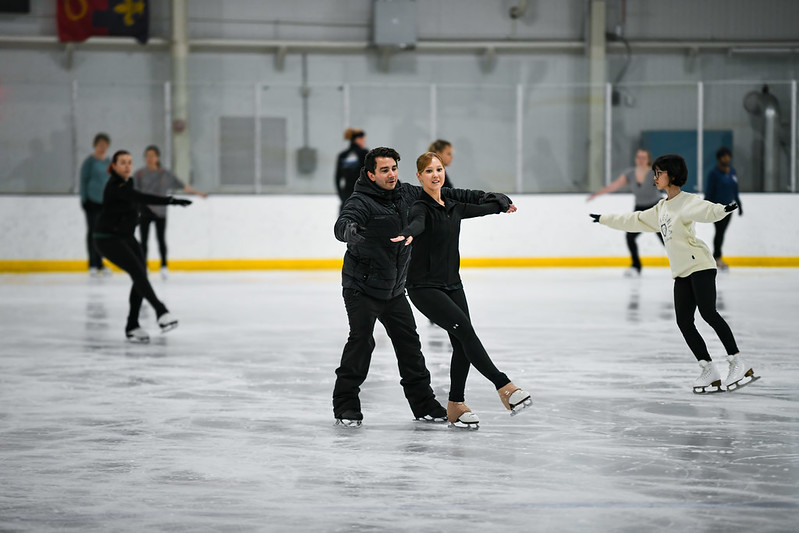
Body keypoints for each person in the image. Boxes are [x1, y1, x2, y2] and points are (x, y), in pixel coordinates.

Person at [333, 146, 495, 427]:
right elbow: (343, 223)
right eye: (384, 170)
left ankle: (424, 405)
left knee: (410, 346)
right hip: (362, 287)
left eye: (394, 168)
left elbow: (447, 195)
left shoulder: (409, 193)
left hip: (395, 288)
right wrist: (349, 231)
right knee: (361, 342)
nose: (392, 174)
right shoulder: (360, 201)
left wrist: (488, 198)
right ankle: (346, 406)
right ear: (371, 174)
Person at [590, 153, 759, 394]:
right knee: (684, 322)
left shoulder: (688, 201)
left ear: (672, 175)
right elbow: (634, 219)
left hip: (700, 266)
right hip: (681, 272)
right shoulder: (660, 208)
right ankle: (709, 369)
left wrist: (723, 209)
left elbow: (707, 211)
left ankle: (738, 363)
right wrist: (605, 219)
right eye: (655, 173)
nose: (655, 177)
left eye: (659, 173)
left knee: (708, 313)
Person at [390, 152, 531, 429]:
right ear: (419, 177)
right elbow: (417, 223)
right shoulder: (419, 207)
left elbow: (482, 207)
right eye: (428, 171)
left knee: (461, 344)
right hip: (424, 287)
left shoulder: (453, 206)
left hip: (453, 284)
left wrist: (500, 204)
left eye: (438, 169)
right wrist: (409, 232)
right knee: (466, 333)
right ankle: (505, 386)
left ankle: (455, 404)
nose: (435, 175)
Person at [93, 150, 192, 343]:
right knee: (137, 272)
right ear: (113, 166)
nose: (128, 166)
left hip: (126, 237)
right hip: (107, 239)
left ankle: (132, 326)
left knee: (140, 274)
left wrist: (148, 214)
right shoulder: (116, 185)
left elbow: (136, 204)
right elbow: (140, 197)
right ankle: (161, 311)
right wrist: (170, 201)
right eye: (122, 163)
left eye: (130, 162)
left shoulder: (127, 183)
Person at [133, 145, 207, 279]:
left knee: (161, 239)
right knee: (144, 241)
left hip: (161, 212)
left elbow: (183, 185)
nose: (150, 158)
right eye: (148, 156)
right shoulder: (139, 174)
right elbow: (133, 192)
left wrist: (198, 193)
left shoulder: (165, 174)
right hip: (145, 212)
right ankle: (143, 266)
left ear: (158, 158)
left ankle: (164, 266)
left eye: (153, 156)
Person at [587, 148, 664, 276]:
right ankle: (636, 266)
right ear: (635, 159)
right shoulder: (630, 174)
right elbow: (614, 185)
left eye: (644, 157)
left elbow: (666, 185)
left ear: (648, 159)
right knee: (630, 237)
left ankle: (681, 265)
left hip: (655, 208)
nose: (641, 160)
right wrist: (596, 194)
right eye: (639, 157)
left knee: (665, 238)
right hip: (639, 208)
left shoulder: (653, 173)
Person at [705, 147, 743, 271]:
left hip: (729, 207)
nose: (726, 158)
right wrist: (706, 207)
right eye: (724, 156)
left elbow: (735, 189)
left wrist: (739, 204)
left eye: (728, 156)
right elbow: (709, 191)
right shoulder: (714, 173)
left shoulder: (732, 172)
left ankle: (717, 256)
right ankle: (717, 257)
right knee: (719, 232)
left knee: (722, 232)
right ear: (719, 158)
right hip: (717, 208)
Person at [79, 133, 112, 277]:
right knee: (92, 232)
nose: (102, 147)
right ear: (95, 145)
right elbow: (83, 180)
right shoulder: (90, 162)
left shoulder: (109, 162)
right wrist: (84, 199)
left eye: (105, 144)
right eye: (100, 144)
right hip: (92, 202)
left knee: (102, 235)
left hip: (105, 203)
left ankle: (100, 263)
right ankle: (92, 263)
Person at [335, 128, 368, 211]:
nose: (364, 142)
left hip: (346, 196)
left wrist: (341, 196)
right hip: (361, 196)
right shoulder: (364, 154)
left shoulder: (343, 155)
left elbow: (337, 178)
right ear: (357, 139)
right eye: (363, 140)